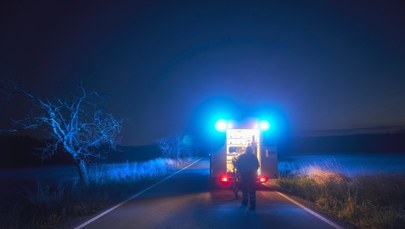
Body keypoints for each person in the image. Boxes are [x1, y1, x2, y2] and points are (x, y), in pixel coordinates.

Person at [235, 146, 260, 210]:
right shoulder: (254, 157)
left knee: (245, 189)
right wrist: (254, 171)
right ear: (251, 150)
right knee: (252, 190)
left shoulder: (241, 157)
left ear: (246, 150)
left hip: (244, 175)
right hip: (252, 175)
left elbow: (237, 165)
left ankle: (245, 202)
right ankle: (252, 204)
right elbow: (257, 165)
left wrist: (239, 173)